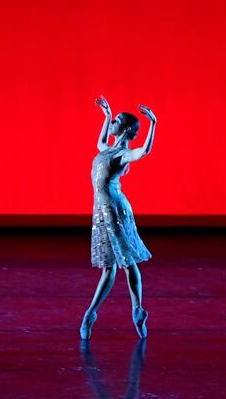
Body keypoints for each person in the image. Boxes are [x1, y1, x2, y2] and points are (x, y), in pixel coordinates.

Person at [80, 96, 157, 340]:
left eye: (116, 121)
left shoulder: (122, 154)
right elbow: (100, 141)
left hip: (114, 210)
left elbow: (143, 152)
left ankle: (137, 309)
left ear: (124, 130)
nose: (113, 122)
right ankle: (91, 314)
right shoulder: (108, 150)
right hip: (102, 212)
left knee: (126, 262)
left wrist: (153, 123)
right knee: (108, 267)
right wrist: (106, 115)